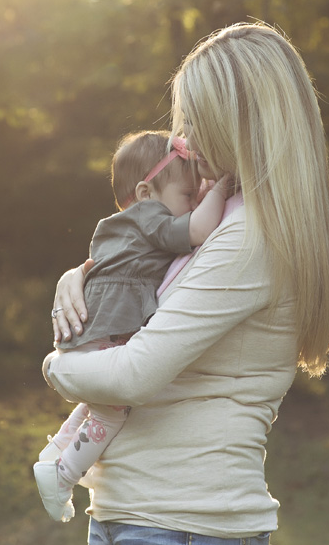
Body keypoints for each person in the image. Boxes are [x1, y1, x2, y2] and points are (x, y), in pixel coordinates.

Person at [43, 22, 329, 545]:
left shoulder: (251, 238)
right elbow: (138, 265)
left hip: (182, 528)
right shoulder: (218, 223)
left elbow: (136, 370)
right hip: (126, 513)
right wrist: (77, 276)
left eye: (193, 121)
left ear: (238, 118)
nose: (181, 140)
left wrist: (55, 364)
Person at [34, 130, 230, 523]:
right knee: (113, 412)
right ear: (144, 193)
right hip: (111, 324)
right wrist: (222, 189)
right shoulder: (150, 216)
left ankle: (55, 452)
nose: (194, 202)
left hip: (96, 324)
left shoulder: (124, 224)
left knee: (98, 402)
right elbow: (197, 231)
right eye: (188, 196)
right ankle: (64, 475)